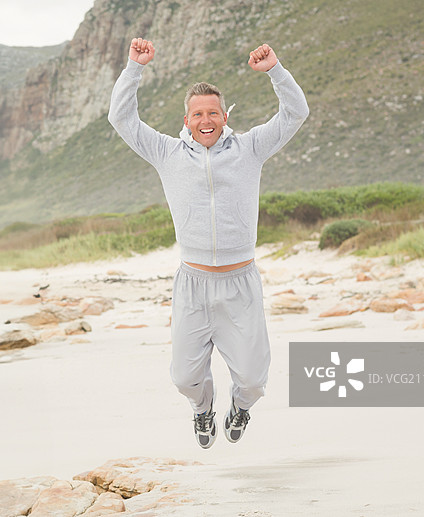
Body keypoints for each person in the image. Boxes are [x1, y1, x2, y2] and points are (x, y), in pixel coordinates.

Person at [108, 37, 309, 448]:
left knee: (254, 380)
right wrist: (134, 68)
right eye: (198, 113)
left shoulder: (250, 147)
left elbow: (295, 113)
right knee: (184, 378)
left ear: (224, 115)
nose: (206, 119)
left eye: (213, 112)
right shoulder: (165, 152)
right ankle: (203, 410)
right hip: (193, 283)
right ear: (186, 119)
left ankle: (240, 407)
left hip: (240, 283)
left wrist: (275, 69)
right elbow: (122, 119)